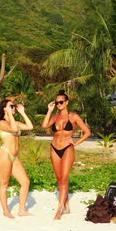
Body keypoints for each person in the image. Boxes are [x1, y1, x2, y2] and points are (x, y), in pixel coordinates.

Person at [41, 90, 91, 219]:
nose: (59, 104)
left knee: (64, 178)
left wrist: (76, 142)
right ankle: (67, 206)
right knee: (59, 179)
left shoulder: (73, 116)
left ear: (67, 102)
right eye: (57, 102)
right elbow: (44, 125)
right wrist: (49, 110)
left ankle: (59, 209)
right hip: (54, 148)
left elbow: (87, 132)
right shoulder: (55, 117)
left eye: (61, 102)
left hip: (67, 147)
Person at [0, 99, 34, 218]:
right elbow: (13, 129)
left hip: (14, 157)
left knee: (25, 182)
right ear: (4, 109)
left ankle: (21, 210)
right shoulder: (1, 123)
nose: (14, 108)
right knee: (4, 183)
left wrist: (22, 113)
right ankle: (6, 211)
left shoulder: (15, 122)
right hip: (5, 155)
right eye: (11, 106)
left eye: (14, 106)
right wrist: (9, 114)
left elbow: (30, 126)